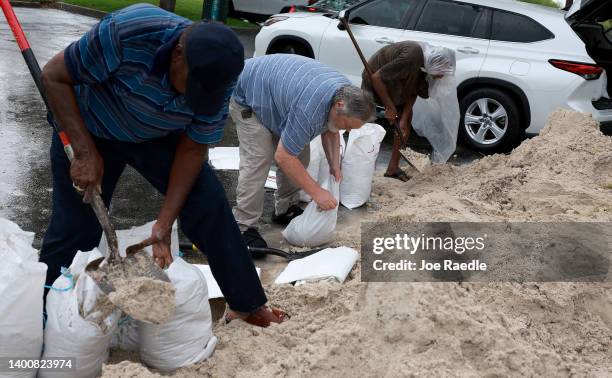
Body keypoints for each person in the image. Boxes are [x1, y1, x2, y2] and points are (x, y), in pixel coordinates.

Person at [39, 4, 283, 326]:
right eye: (193, 88)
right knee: (75, 228)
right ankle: (46, 311)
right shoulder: (129, 32)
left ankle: (246, 303)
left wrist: (165, 222)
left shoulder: (219, 79)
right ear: (178, 54)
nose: (197, 99)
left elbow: (193, 148)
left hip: (160, 136)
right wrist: (84, 152)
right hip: (90, 127)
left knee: (208, 206)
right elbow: (54, 76)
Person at [230, 54, 375, 251]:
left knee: (300, 155)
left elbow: (331, 130)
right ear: (338, 107)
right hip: (249, 96)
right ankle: (243, 227)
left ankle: (284, 208)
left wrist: (334, 165)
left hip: (279, 95)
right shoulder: (309, 110)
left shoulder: (345, 95)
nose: (346, 131)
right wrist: (317, 193)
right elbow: (283, 156)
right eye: (348, 126)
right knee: (259, 160)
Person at [361, 41, 456, 181]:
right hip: (375, 84)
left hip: (396, 84)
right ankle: (362, 167)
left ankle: (392, 169)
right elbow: (377, 78)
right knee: (366, 124)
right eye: (442, 71)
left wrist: (404, 119)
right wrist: (389, 107)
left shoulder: (426, 69)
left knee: (405, 122)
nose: (442, 77)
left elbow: (413, 92)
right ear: (435, 63)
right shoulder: (411, 56)